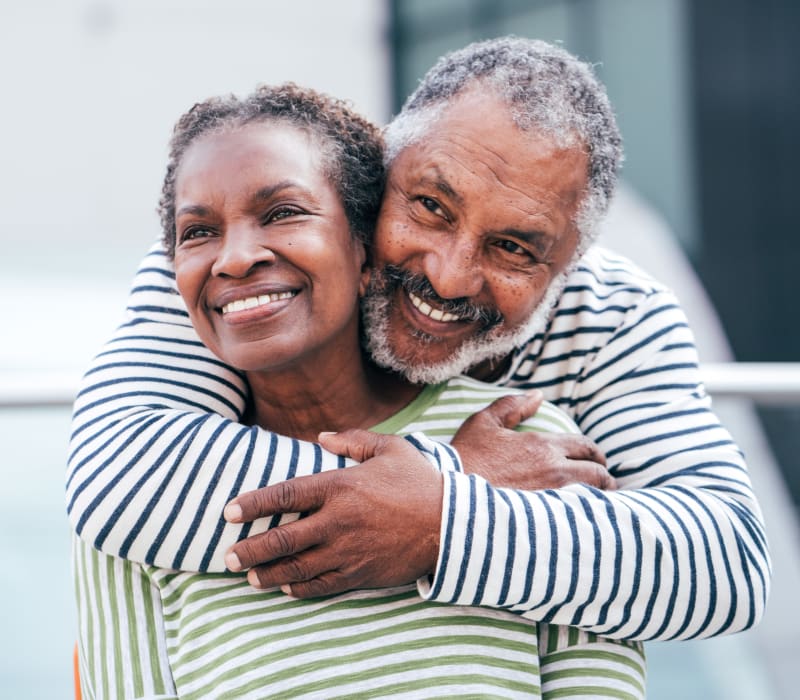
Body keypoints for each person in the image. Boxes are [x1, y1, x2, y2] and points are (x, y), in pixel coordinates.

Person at [67, 37, 769, 643]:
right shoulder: (244, 266)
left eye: (515, 248)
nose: (451, 274)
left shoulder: (616, 315)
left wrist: (440, 521)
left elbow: (725, 565)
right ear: (379, 172)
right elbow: (121, 474)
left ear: (570, 265)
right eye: (430, 206)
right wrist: (451, 480)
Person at [74, 83, 645, 699]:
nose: (235, 258)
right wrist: (451, 478)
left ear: (365, 246)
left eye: (283, 212)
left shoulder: (532, 448)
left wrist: (440, 505)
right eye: (197, 232)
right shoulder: (137, 511)